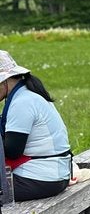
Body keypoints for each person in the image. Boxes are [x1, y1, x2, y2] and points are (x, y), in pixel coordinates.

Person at [1, 50, 73, 202]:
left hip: (40, 179)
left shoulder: (22, 102)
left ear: (4, 81)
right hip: (56, 175)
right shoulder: (28, 94)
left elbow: (12, 151)